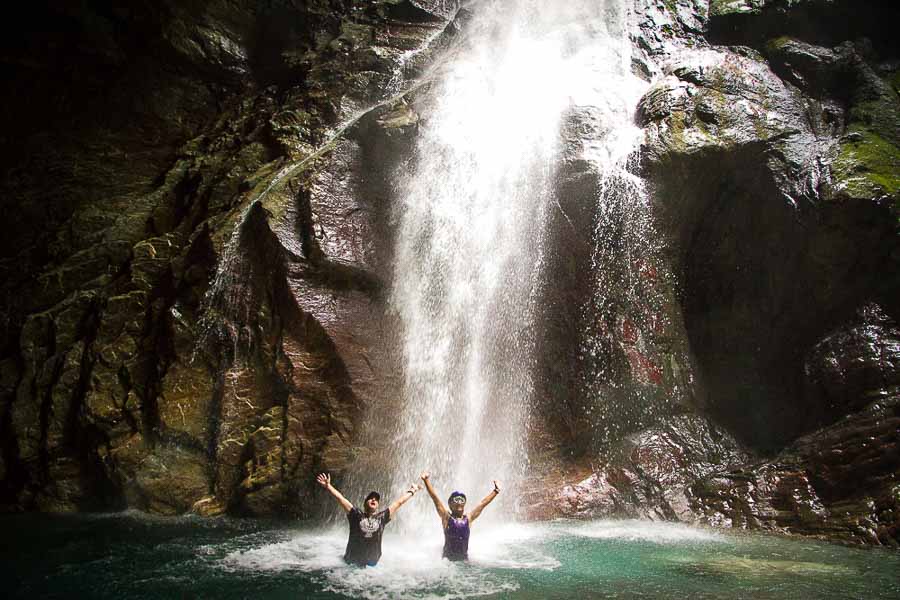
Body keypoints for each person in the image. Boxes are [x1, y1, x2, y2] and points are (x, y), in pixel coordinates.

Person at [316, 472, 420, 567]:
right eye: (371, 498)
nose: (374, 499)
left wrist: (412, 490)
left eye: (376, 499)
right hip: (352, 561)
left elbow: (399, 503)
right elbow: (341, 499)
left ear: (378, 505)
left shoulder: (382, 517)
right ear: (365, 503)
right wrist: (328, 486)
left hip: (372, 564)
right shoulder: (356, 515)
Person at [420, 471, 500, 561]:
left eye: (462, 499)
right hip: (447, 562)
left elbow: (482, 504)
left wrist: (496, 491)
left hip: (464, 561)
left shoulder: (469, 518)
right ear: (450, 504)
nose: (459, 501)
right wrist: (426, 480)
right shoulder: (446, 517)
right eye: (456, 499)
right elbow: (435, 498)